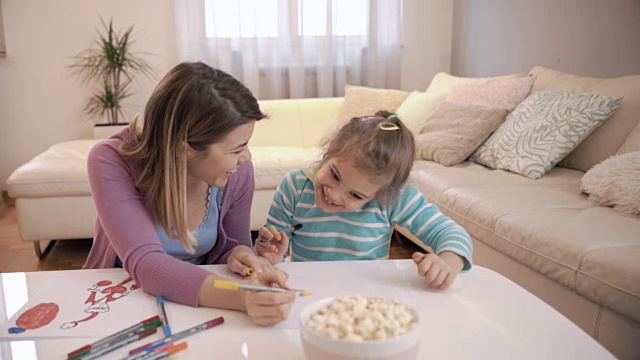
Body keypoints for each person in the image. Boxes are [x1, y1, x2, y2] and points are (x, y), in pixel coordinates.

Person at [83, 62, 295, 326]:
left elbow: (229, 245)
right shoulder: (111, 160)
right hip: (120, 298)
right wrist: (243, 297)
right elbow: (148, 265)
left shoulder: (237, 172)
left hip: (200, 302)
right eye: (236, 149)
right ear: (185, 149)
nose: (246, 157)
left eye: (246, 145)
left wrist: (245, 256)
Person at [256, 111, 473, 290]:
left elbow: (453, 235)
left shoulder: (394, 198)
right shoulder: (294, 186)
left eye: (356, 195)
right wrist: (268, 252)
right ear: (329, 151)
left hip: (369, 300)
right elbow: (269, 251)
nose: (334, 194)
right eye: (334, 175)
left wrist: (446, 264)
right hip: (307, 291)